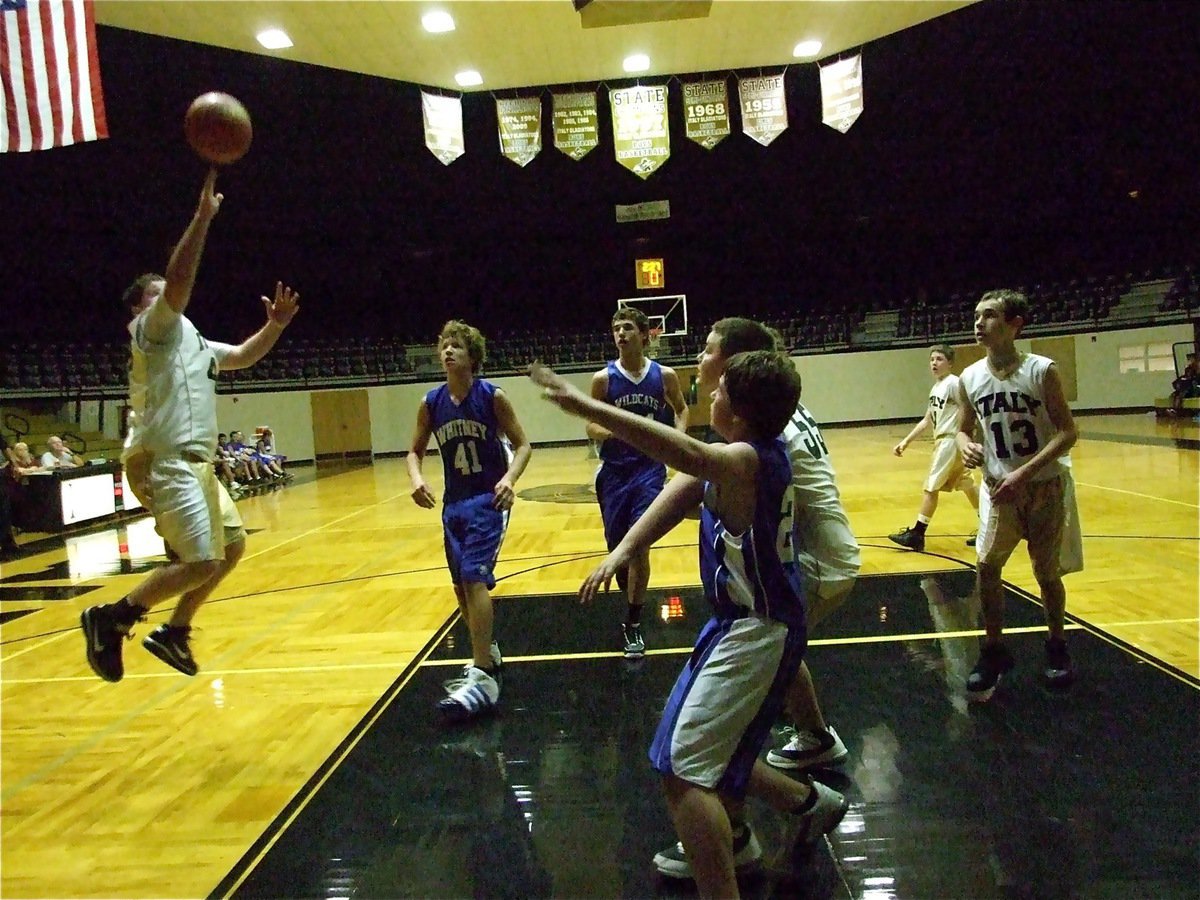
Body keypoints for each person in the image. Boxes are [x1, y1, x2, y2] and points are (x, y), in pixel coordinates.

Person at [533, 352, 847, 900]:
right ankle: (809, 803)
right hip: (745, 623)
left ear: (741, 412)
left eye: (721, 390)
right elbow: (678, 490)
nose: (711, 395)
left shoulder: (747, 459)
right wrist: (624, 551)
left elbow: (681, 451)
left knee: (682, 769)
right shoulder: (736, 458)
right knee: (715, 749)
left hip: (758, 627)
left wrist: (587, 406)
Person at [79, 168, 300, 682]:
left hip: (197, 465)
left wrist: (276, 325)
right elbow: (177, 283)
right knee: (200, 561)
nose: (167, 300)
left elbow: (244, 356)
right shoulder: (150, 330)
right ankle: (111, 619)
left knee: (234, 547)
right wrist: (202, 219)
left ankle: (175, 632)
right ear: (139, 308)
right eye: (154, 295)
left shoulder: (192, 340)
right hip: (163, 458)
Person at [692, 318, 859, 775]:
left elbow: (697, 484)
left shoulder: (758, 432)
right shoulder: (774, 412)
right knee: (776, 651)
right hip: (827, 556)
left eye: (708, 351)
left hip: (813, 563)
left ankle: (740, 795)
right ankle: (815, 737)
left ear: (732, 365)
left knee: (748, 664)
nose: (699, 358)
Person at [956, 289, 1081, 701]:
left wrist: (1024, 474)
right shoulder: (969, 378)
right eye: (976, 315)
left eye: (989, 315)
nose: (979, 323)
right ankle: (993, 651)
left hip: (1044, 486)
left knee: (1046, 574)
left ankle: (1057, 645)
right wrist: (963, 444)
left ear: (1014, 324)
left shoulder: (1042, 370)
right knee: (987, 566)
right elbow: (962, 428)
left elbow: (1068, 432)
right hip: (999, 489)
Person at [407, 320, 532, 721]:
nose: (448, 351)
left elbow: (524, 444)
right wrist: (416, 479)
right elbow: (413, 451)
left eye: (456, 346)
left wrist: (510, 479)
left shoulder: (492, 397)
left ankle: (481, 671)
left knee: (475, 578)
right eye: (444, 345)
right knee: (461, 587)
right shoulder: (431, 402)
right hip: (453, 504)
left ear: (472, 356)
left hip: (486, 501)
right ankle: (488, 650)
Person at [588, 308, 688, 658]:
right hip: (614, 472)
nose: (620, 333)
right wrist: (620, 430)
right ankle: (631, 596)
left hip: (649, 470)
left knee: (639, 543)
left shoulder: (665, 376)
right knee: (618, 547)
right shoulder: (603, 380)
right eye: (616, 328)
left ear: (645, 335)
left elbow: (681, 409)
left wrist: (678, 441)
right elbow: (591, 425)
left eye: (628, 327)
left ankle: (633, 622)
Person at [889, 345, 980, 551]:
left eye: (939, 359)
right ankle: (987, 526)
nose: (934, 363)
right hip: (947, 440)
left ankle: (917, 533)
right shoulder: (936, 388)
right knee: (966, 483)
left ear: (950, 363)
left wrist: (968, 433)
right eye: (932, 360)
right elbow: (927, 419)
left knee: (931, 486)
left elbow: (969, 407)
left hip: (950, 440)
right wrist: (906, 441)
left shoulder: (954, 384)